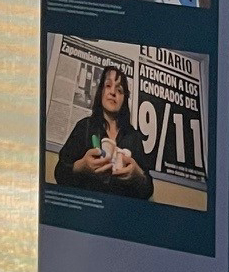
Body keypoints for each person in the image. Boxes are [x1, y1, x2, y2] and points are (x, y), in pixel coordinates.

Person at [53, 64, 154, 200]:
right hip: (87, 209)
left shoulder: (134, 137)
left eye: (119, 90)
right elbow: (60, 173)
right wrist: (80, 167)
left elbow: (148, 190)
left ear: (124, 99)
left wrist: (138, 175)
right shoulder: (85, 127)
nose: (113, 92)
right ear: (100, 91)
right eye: (108, 86)